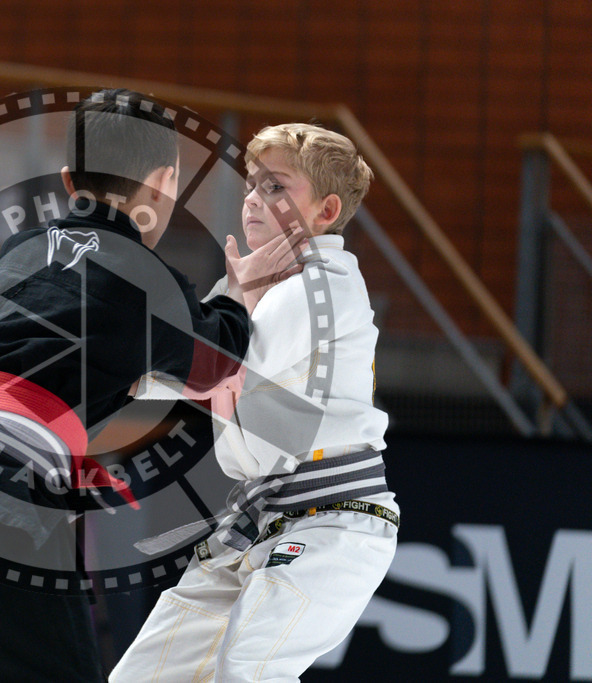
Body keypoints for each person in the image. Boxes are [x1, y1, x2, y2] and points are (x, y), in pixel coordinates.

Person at [0, 90, 305, 682]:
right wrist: (242, 294)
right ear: (164, 184)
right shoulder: (144, 274)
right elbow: (215, 362)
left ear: (68, 180)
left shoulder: (19, 250)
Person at [111, 123, 400, 682]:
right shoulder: (253, 280)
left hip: (334, 521)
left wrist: (130, 367)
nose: (252, 199)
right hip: (259, 517)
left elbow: (217, 365)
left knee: (247, 670)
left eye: (276, 187)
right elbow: (177, 362)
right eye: (251, 184)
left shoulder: (327, 282)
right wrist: (115, 376)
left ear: (326, 210)